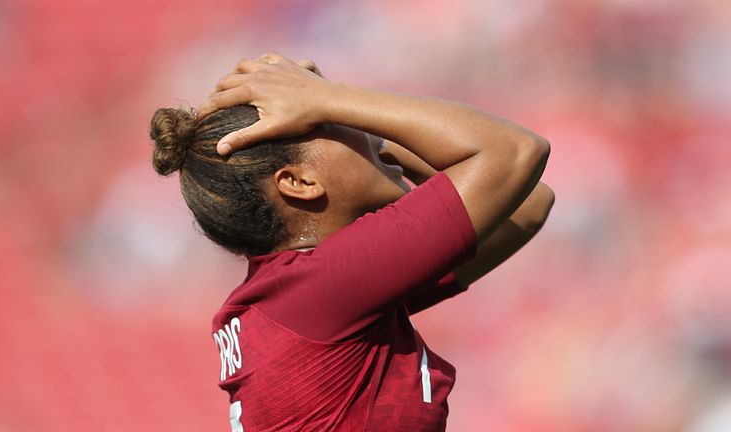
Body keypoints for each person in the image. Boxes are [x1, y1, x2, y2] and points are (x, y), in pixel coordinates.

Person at [149, 53, 553, 431]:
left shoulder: (307, 295)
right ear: (298, 183)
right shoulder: (324, 289)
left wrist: (348, 118)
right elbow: (515, 153)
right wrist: (331, 98)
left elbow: (523, 207)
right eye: (329, 124)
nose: (362, 129)